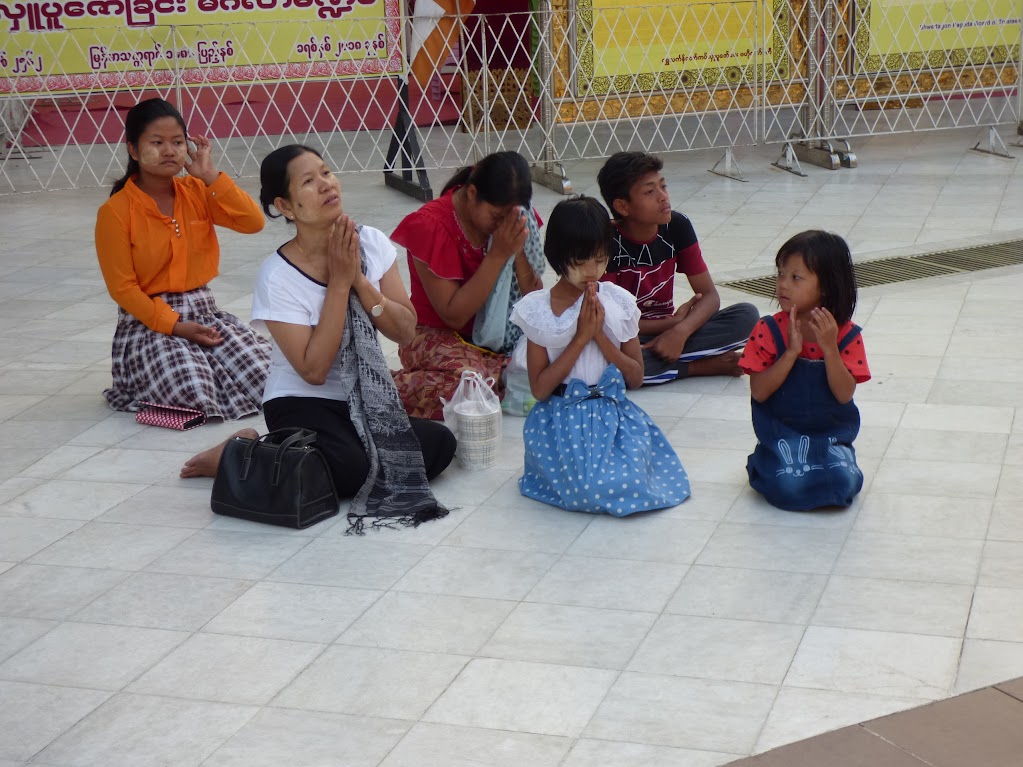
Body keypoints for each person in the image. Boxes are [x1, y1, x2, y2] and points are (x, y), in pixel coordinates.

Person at [212, 144, 453, 531]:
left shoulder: (370, 243)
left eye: (326, 173)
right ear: (286, 207)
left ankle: (281, 453)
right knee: (354, 466)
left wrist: (359, 279)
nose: (326, 185)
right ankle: (245, 451)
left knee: (440, 444)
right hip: (300, 401)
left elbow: (406, 331)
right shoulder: (277, 276)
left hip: (364, 397)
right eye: (308, 181)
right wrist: (340, 286)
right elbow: (313, 370)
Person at [510, 196, 690, 515]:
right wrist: (580, 338)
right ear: (558, 257)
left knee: (634, 481)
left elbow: (635, 377)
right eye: (581, 262)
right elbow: (540, 390)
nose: (592, 271)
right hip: (561, 421)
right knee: (590, 490)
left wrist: (601, 337)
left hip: (614, 416)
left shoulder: (619, 302)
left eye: (600, 259)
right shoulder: (538, 310)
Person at [95, 97, 270, 419]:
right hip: (150, 324)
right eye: (157, 142)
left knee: (266, 377)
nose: (170, 151)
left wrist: (211, 177)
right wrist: (175, 326)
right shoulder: (116, 212)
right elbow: (122, 289)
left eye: (177, 142)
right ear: (133, 150)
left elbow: (253, 223)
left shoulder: (197, 190)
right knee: (192, 389)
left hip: (205, 315)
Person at [390, 151, 545, 420]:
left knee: (557, 365)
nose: (502, 225)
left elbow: (533, 300)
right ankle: (381, 389)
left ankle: (494, 372)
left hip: (498, 338)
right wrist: (498, 255)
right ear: (472, 193)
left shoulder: (516, 216)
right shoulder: (431, 224)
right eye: (496, 217)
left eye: (512, 217)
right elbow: (452, 314)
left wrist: (517, 251)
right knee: (470, 389)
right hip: (435, 334)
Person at [596, 151, 759, 385]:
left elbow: (710, 296)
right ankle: (696, 366)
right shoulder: (606, 241)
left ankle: (657, 361)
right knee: (606, 361)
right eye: (650, 192)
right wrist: (671, 325)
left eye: (663, 186)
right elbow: (609, 323)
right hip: (628, 335)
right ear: (622, 206)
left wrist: (680, 332)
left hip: (671, 331)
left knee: (748, 316)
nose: (663, 197)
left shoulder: (677, 226)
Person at [739, 230, 870, 511]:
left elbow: (844, 394)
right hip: (783, 436)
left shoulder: (846, 335)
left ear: (826, 286)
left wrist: (830, 349)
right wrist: (790, 353)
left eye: (795, 277)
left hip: (831, 436)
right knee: (791, 484)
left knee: (844, 482)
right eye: (780, 274)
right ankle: (765, 461)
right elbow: (759, 392)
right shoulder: (768, 329)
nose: (783, 284)